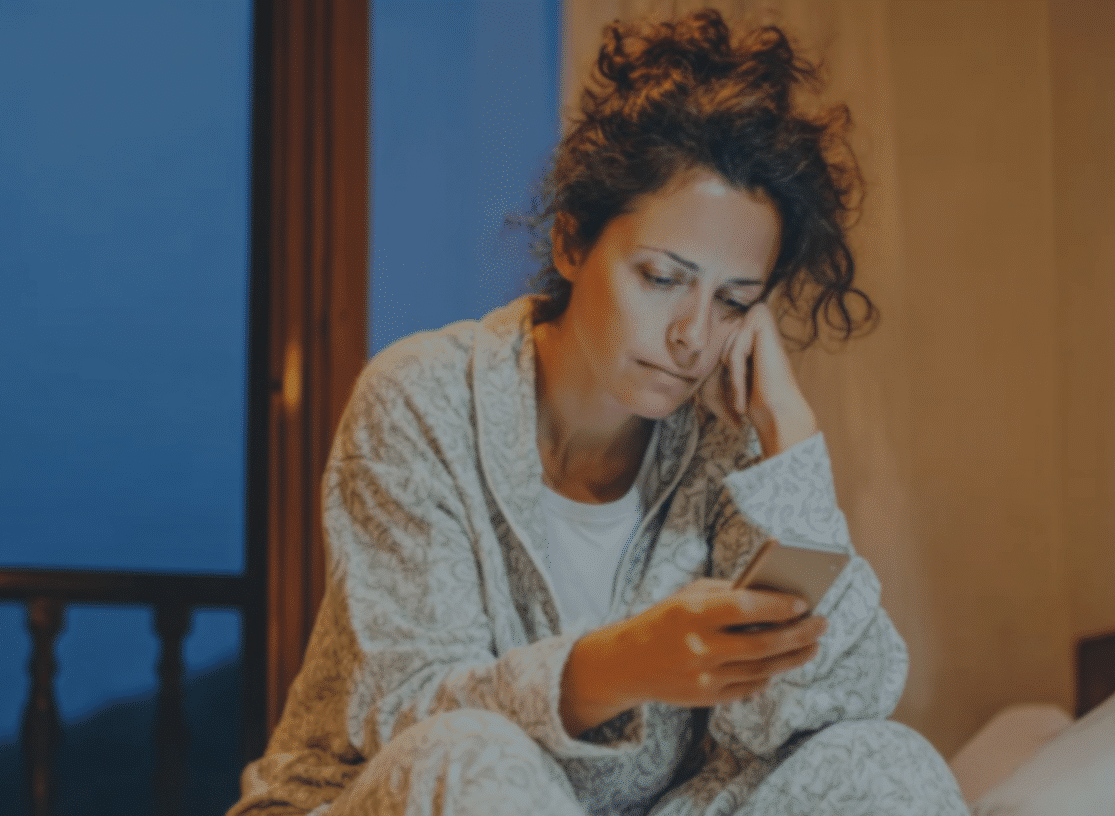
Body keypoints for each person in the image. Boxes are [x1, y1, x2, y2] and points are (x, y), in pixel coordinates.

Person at [229, 9, 971, 816]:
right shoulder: (422, 398)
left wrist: (791, 442)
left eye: (732, 301)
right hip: (393, 793)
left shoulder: (730, 446)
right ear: (572, 243)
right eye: (661, 277)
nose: (693, 335)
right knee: (470, 754)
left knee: (883, 760)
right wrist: (613, 668)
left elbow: (821, 705)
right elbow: (402, 710)